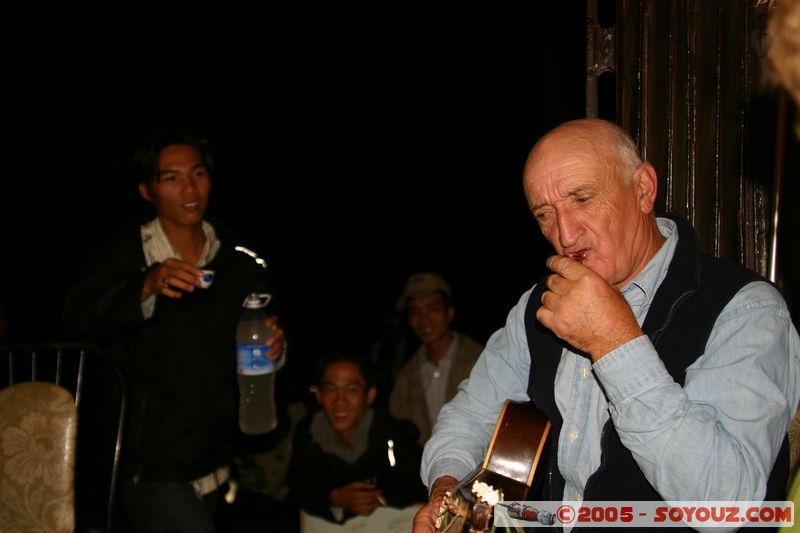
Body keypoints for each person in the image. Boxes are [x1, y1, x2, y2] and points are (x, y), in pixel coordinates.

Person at [412, 118, 800, 532]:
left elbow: (727, 507)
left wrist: (615, 343)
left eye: (582, 199)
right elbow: (468, 418)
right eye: (545, 214)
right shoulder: (537, 305)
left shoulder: (746, 309)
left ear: (644, 189)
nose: (564, 233)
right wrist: (449, 495)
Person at [62, 127, 286, 533]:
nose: (189, 188)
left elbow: (260, 344)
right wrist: (145, 285)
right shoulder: (125, 254)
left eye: (198, 174)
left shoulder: (242, 263)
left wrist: (276, 346)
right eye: (171, 177)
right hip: (146, 466)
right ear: (147, 191)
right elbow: (76, 317)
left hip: (214, 457)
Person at [287, 351, 427, 524]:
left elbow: (415, 485)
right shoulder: (308, 433)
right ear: (319, 396)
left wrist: (378, 498)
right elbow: (297, 487)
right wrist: (334, 498)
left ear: (369, 395)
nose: (340, 401)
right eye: (331, 389)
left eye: (352, 390)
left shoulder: (393, 435)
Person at [389, 272, 483, 445]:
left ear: (449, 313)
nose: (424, 320)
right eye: (415, 312)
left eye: (433, 309)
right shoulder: (405, 378)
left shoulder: (482, 361)